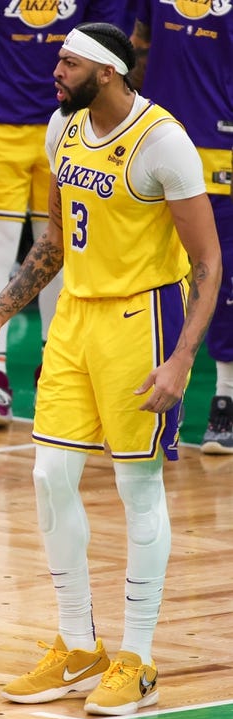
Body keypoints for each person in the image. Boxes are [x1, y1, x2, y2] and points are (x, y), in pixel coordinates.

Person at [0, 23, 221, 716]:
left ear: (108, 71)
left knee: (137, 486)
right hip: (74, 318)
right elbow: (55, 241)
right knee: (49, 477)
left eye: (68, 63)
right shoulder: (61, 129)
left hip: (141, 319)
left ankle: (138, 658)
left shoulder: (164, 142)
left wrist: (182, 358)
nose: (56, 71)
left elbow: (209, 262)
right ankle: (77, 645)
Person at [0, 0, 118, 428]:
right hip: (0, 124)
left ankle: (52, 369)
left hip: (70, 124)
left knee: (58, 254)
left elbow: (109, 55)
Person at [130, 1, 233, 455]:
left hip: (221, 147)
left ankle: (225, 396)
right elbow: (139, 44)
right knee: (158, 273)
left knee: (221, 277)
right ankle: (164, 390)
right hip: (155, 139)